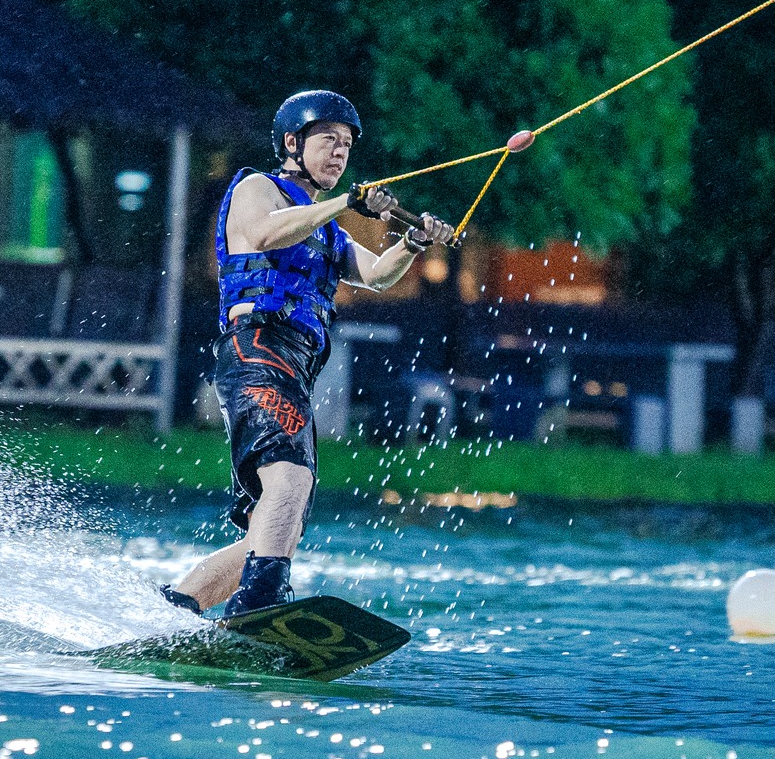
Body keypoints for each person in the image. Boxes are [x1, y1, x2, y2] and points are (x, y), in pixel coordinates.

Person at [161, 89, 526, 620]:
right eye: (328, 140)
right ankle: (259, 603)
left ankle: (175, 608)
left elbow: (376, 275)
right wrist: (347, 204)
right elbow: (264, 234)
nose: (339, 152)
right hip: (257, 346)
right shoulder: (257, 189)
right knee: (289, 479)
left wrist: (413, 243)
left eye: (347, 145)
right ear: (292, 143)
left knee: (279, 526)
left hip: (295, 366)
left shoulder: (328, 231)